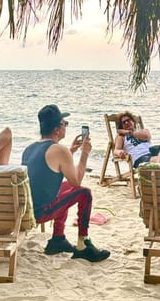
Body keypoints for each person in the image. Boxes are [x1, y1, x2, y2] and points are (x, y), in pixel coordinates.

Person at [21, 104, 110, 263]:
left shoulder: (29, 148)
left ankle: (58, 239)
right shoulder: (59, 150)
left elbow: (47, 171)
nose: (66, 127)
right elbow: (76, 181)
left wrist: (72, 151)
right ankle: (83, 245)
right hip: (41, 212)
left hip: (29, 207)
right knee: (84, 192)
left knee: (63, 188)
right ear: (57, 129)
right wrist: (85, 153)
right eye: (65, 123)